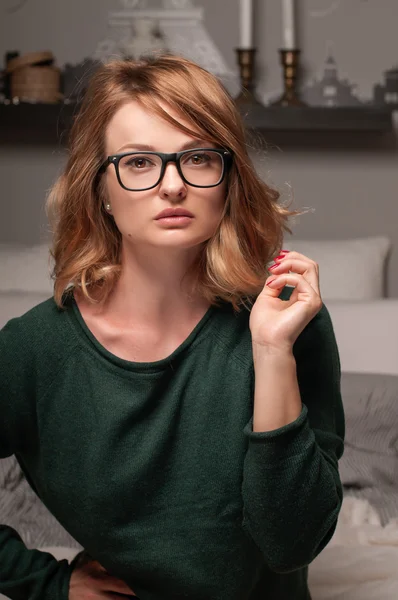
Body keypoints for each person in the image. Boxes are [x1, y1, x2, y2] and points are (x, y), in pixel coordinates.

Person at [0, 54, 344, 600]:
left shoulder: (288, 320)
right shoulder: (32, 351)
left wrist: (272, 351)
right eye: (139, 162)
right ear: (101, 189)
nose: (173, 186)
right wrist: (49, 584)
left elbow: (291, 545)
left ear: (227, 179)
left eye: (198, 158)